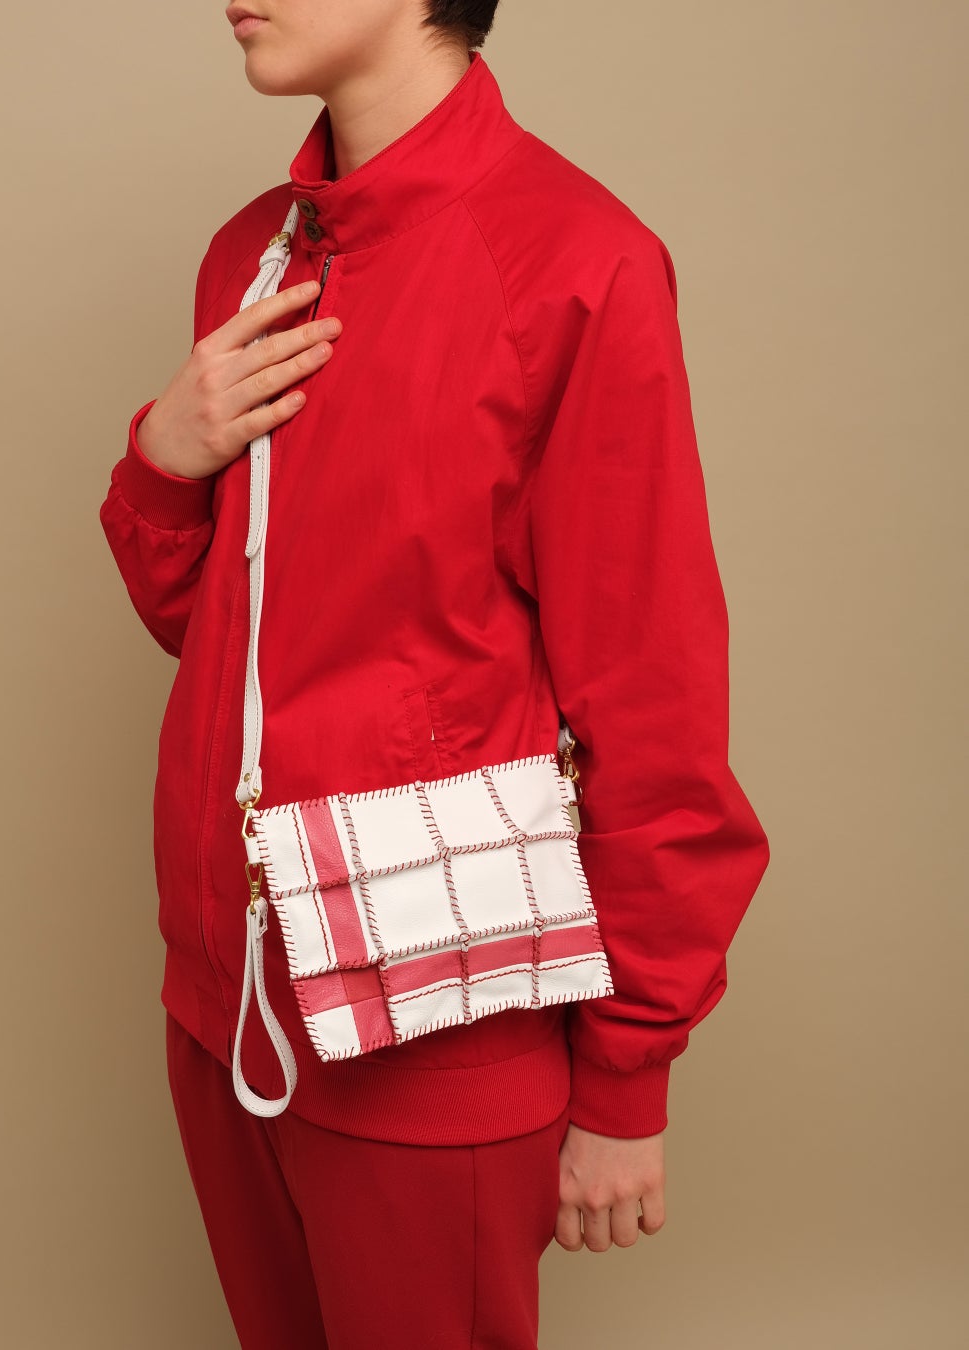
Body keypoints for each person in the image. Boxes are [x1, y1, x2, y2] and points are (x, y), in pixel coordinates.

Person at [100, 2, 771, 1346]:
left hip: (432, 1029)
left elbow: (651, 693)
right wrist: (162, 461)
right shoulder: (253, 255)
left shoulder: (577, 260)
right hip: (228, 1002)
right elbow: (222, 636)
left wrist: (626, 1073)